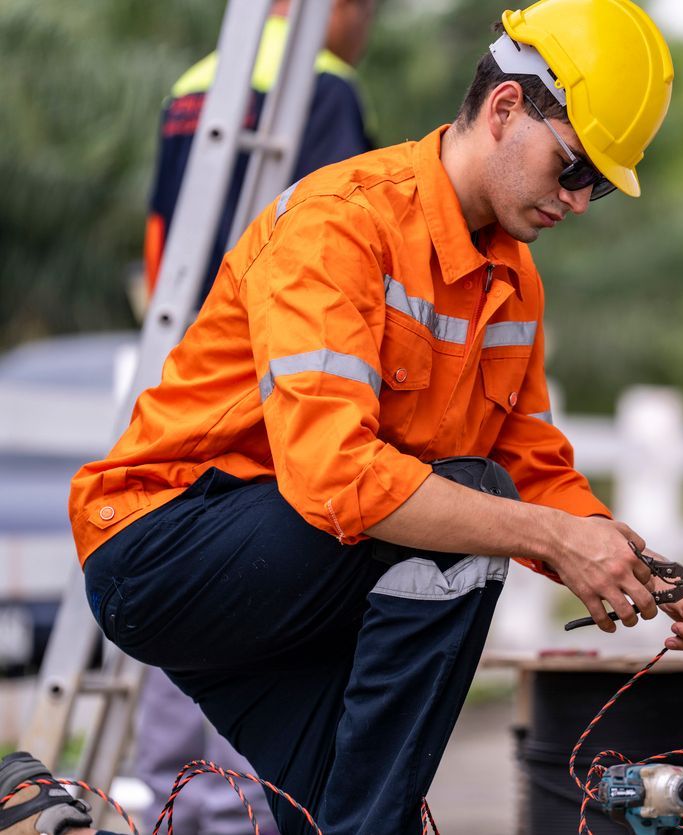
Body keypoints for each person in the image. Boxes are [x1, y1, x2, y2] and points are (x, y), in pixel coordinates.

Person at [6, 2, 683, 834]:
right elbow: (337, 475)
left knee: (355, 812)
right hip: (163, 545)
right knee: (476, 508)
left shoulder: (513, 280)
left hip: (302, 564)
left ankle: (31, 809)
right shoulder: (342, 223)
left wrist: (643, 569)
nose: (581, 201)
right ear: (504, 110)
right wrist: (549, 537)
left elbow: (534, 468)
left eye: (597, 183)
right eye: (573, 167)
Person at [135, 3, 376, 833]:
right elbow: (340, 242)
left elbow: (161, 241)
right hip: (270, 365)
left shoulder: (195, 84)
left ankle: (170, 794)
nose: (366, 26)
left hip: (191, 368)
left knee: (189, 573)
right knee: (260, 584)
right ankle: (240, 809)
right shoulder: (327, 85)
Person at [144, 0, 376, 307]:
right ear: (342, 6)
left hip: (198, 322)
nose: (364, 34)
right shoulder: (329, 83)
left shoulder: (189, 86)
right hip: (280, 320)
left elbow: (158, 226)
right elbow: (341, 220)